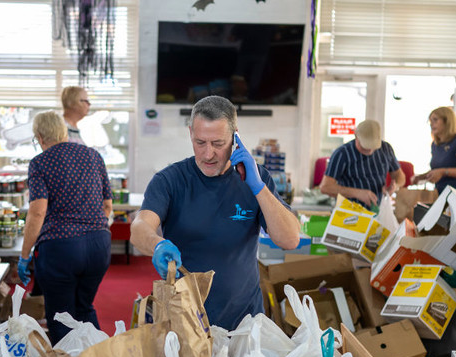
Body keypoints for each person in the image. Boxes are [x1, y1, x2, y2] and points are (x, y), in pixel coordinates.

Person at [130, 96, 300, 331]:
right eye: (200, 142)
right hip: (184, 320)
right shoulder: (170, 180)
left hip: (243, 321)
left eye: (218, 144)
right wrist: (157, 244)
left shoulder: (256, 178)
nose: (208, 154)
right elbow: (139, 228)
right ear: (190, 133)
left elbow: (290, 239)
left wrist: (258, 188)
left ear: (235, 136)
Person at [17, 110, 113, 343]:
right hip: (99, 245)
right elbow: (107, 205)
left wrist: (24, 253)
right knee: (85, 308)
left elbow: (38, 211)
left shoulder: (40, 163)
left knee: (61, 315)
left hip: (61, 248)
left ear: (39, 137)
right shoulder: (93, 155)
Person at [319, 119, 405, 209]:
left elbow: (400, 177)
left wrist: (395, 186)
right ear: (356, 137)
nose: (370, 151)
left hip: (377, 210)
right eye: (365, 147)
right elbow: (325, 187)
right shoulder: (342, 154)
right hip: (349, 212)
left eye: (373, 147)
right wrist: (357, 193)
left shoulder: (386, 149)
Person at [412, 106, 456, 198]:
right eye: (430, 121)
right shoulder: (435, 144)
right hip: (441, 194)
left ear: (447, 122)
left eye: (435, 120)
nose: (431, 124)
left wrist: (443, 172)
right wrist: (421, 177)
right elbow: (438, 169)